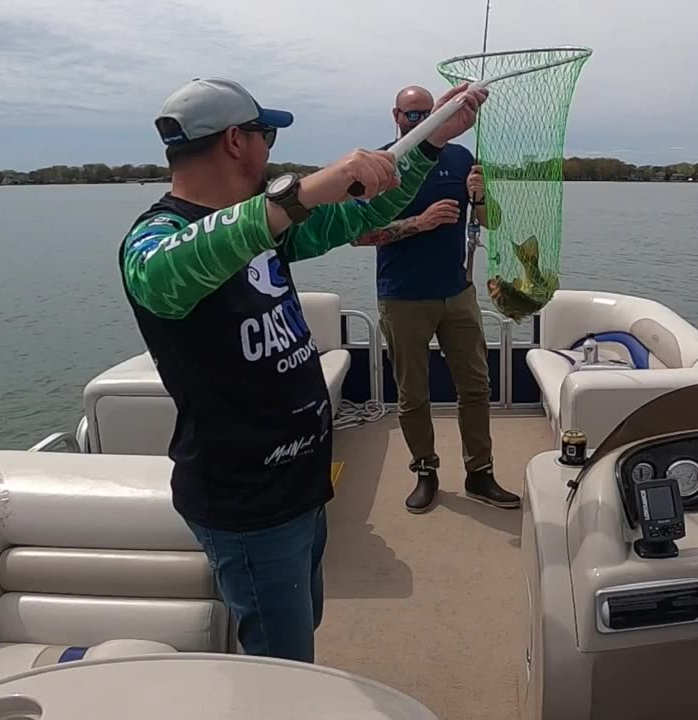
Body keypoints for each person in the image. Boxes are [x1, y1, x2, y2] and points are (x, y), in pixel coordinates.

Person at [118, 77, 486, 662]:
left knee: (301, 626)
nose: (271, 150)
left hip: (301, 488)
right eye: (266, 136)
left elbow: (372, 209)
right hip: (247, 501)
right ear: (237, 141)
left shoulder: (267, 229)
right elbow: (163, 275)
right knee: (283, 664)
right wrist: (306, 191)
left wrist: (431, 142)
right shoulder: (154, 237)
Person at [351, 85, 520, 514]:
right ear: (396, 115)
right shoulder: (381, 164)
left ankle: (480, 474)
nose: (421, 121)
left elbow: (491, 221)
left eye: (429, 113)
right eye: (413, 115)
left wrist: (480, 198)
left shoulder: (462, 158)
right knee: (413, 394)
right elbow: (357, 235)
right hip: (403, 297)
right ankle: (425, 471)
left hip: (457, 293)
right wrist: (418, 224)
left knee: (477, 388)